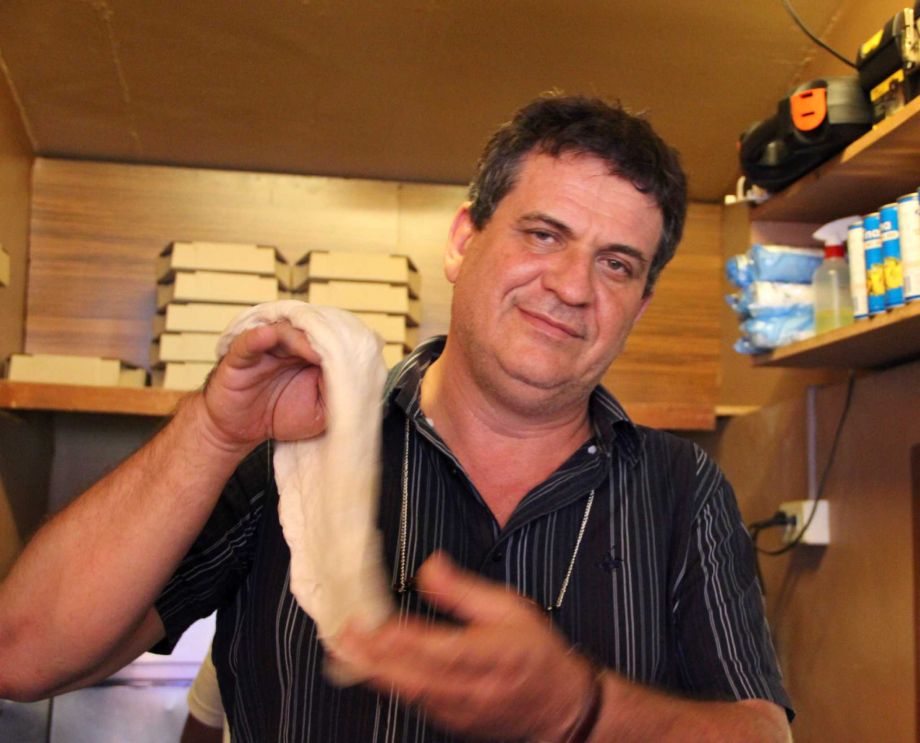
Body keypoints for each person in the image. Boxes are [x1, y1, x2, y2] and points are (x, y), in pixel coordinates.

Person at [0, 94, 793, 741]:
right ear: (463, 239)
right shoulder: (296, 452)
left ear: (641, 303)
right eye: (543, 233)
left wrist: (583, 711)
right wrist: (213, 431)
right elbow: (23, 654)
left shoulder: (682, 488)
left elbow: (762, 733)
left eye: (616, 264)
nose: (573, 286)